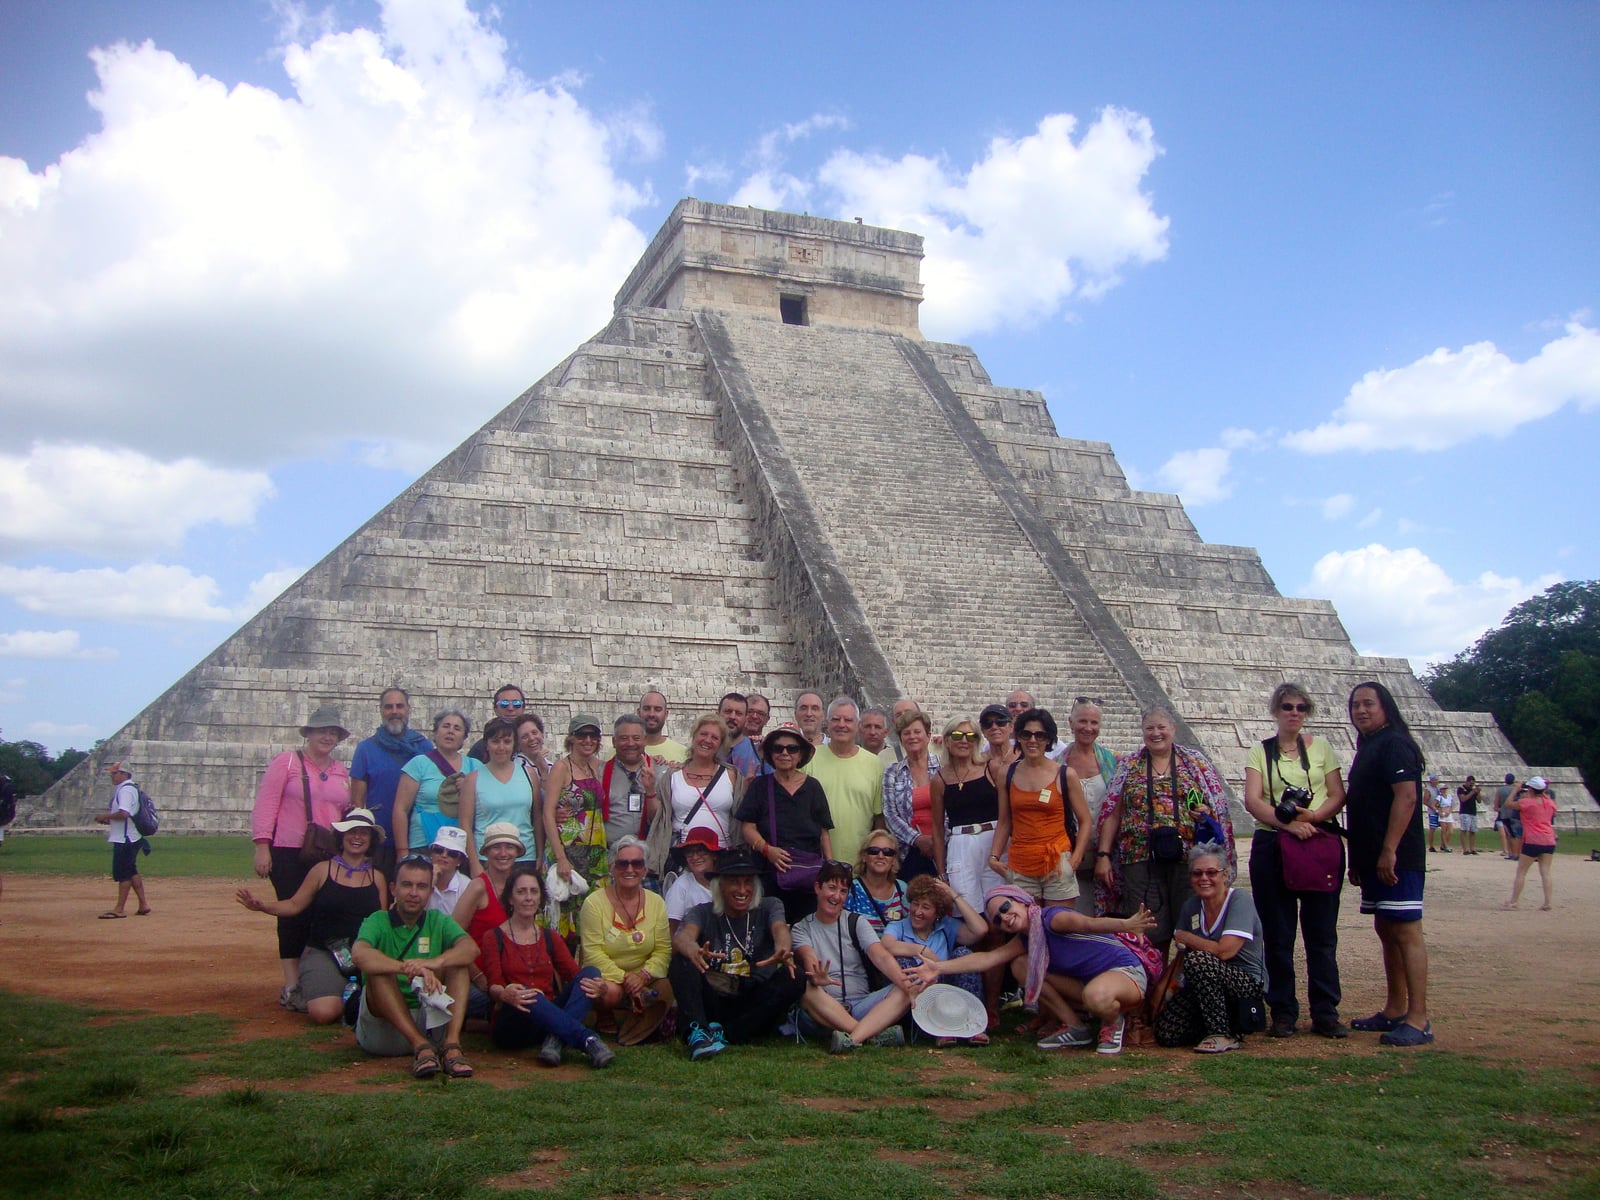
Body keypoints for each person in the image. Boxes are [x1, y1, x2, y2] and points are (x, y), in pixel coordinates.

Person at [908, 886, 1156, 1055]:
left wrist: (1126, 924)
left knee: (1096, 996)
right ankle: (1076, 1028)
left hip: (1125, 972)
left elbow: (1090, 923)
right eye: (997, 919)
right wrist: (937, 967)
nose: (1004, 917)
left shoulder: (1052, 919)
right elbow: (987, 959)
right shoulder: (1025, 940)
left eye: (1006, 907)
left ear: (1022, 901)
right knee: (1020, 965)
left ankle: (1112, 1024)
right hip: (1089, 982)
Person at [1241, 683, 1348, 1040]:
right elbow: (1252, 800)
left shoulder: (1322, 750)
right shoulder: (1260, 751)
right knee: (1279, 934)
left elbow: (1337, 794)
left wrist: (1312, 818)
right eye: (1288, 706)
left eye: (1302, 707)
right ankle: (1283, 1011)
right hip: (1273, 842)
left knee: (1321, 934)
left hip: (1316, 841)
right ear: (1276, 710)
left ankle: (1325, 1011)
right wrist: (1287, 822)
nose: (1295, 713)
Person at [1094, 704, 1232, 961]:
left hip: (1187, 856)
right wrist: (1103, 854)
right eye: (1149, 728)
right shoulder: (1130, 765)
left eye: (1161, 727)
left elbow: (1216, 805)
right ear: (1142, 732)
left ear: (1173, 729)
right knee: (1148, 926)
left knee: (1191, 921)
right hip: (1140, 857)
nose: (1156, 733)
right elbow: (1113, 811)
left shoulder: (1194, 763)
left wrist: (1204, 811)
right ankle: (1151, 988)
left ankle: (1187, 986)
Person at [236, 808, 387, 1025]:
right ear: (341, 836)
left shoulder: (378, 878)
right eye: (352, 831)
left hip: (363, 953)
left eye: (364, 833)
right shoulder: (322, 870)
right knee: (324, 1013)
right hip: (324, 951)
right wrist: (262, 906)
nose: (357, 837)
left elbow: (381, 922)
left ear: (371, 840)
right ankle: (325, 992)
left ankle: (350, 994)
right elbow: (295, 905)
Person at [1344, 681, 1432, 1047]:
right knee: (1387, 929)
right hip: (1376, 857)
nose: (1361, 710)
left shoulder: (1395, 743)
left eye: (1368, 704)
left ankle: (1419, 1017)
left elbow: (1407, 798)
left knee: (1407, 930)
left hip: (1396, 858)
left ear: (1386, 707)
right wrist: (1359, 859)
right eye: (1355, 705)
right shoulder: (1370, 745)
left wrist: (1390, 849)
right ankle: (1396, 1008)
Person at [249, 705, 352, 1010]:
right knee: (293, 914)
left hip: (326, 852)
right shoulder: (288, 762)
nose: (327, 736)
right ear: (309, 733)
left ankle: (314, 978)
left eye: (332, 732)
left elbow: (343, 812)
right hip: (288, 850)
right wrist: (262, 845)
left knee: (322, 914)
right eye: (322, 730)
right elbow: (266, 804)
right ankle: (292, 984)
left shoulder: (340, 771)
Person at [669, 845, 805, 1059]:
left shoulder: (770, 905)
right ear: (719, 885)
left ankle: (726, 1034)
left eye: (748, 882)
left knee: (794, 975)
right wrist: (692, 948)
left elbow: (780, 928)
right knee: (681, 961)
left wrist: (783, 946)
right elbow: (683, 937)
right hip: (715, 995)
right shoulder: (703, 911)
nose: (742, 890)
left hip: (753, 999)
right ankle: (699, 1032)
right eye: (734, 882)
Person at [351, 854, 477, 1078]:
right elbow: (359, 955)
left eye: (421, 886)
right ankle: (420, 1046)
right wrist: (406, 968)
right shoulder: (377, 920)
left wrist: (433, 963)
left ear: (430, 891)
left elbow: (470, 949)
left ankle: (451, 1045)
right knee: (378, 973)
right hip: (385, 1031)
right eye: (406, 885)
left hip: (430, 1019)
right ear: (393, 888)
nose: (413, 893)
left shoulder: (438, 920)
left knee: (459, 965)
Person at [479, 863, 613, 1067]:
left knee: (590, 973)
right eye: (521, 892)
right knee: (527, 993)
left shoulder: (549, 937)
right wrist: (505, 994)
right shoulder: (493, 936)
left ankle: (555, 1040)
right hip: (513, 1021)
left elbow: (576, 975)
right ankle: (588, 1039)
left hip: (546, 1020)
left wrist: (600, 986)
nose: (528, 897)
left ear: (541, 897)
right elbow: (493, 985)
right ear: (510, 898)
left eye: (534, 891)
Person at [791, 860, 919, 1053]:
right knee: (807, 989)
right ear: (818, 888)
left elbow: (881, 956)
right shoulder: (802, 927)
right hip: (824, 1008)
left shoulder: (857, 921)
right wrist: (817, 978)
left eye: (843, 891)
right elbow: (809, 958)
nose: (836, 896)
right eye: (832, 888)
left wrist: (906, 985)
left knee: (904, 988)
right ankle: (871, 1035)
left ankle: (853, 1038)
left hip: (861, 1005)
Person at [1154, 843, 1268, 1053]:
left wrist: (1187, 936)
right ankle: (1222, 1024)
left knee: (1199, 959)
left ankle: (1221, 1033)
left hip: (1245, 982)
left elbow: (1225, 951)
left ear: (1225, 875)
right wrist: (1160, 996)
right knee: (1167, 1033)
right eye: (1197, 873)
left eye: (1211, 872)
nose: (1204, 878)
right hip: (1204, 983)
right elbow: (1180, 955)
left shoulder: (1240, 900)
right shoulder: (1191, 906)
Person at [577, 834, 674, 1043]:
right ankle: (605, 1013)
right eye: (622, 864)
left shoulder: (656, 902)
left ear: (645, 870)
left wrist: (643, 976)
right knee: (609, 992)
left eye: (637, 863)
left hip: (645, 977)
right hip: (610, 976)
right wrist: (627, 979)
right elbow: (592, 954)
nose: (629, 869)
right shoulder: (594, 903)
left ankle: (640, 1016)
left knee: (665, 986)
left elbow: (663, 950)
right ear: (612, 868)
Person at [989, 708, 1090, 906]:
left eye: (1039, 735)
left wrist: (1075, 859)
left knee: (1058, 926)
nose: (1032, 740)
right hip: (1020, 863)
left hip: (1057, 861)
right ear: (1018, 737)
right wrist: (993, 857)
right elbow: (1004, 820)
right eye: (1026, 734)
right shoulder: (1006, 774)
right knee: (1025, 926)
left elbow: (1085, 820)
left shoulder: (1065, 774)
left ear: (1048, 739)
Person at [736, 721, 834, 921]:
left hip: (808, 875)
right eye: (778, 748)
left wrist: (830, 869)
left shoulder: (813, 787)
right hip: (770, 874)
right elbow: (747, 826)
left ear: (800, 754)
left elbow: (824, 832)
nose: (785, 753)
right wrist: (767, 850)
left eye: (792, 748)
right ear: (771, 754)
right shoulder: (761, 786)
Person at [878, 875, 989, 1042]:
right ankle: (935, 1031)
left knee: (963, 954)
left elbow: (980, 930)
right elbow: (886, 945)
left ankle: (973, 1025)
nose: (918, 912)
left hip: (944, 988)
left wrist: (953, 895)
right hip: (914, 991)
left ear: (937, 912)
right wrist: (923, 950)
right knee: (901, 960)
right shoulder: (898, 926)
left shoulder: (945, 925)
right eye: (915, 904)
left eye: (926, 907)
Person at [348, 687, 431, 879]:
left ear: (408, 709)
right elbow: (357, 803)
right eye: (389, 707)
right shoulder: (365, 749)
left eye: (400, 706)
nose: (394, 711)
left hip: (418, 838)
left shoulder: (424, 746)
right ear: (381, 711)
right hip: (380, 842)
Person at [542, 715, 609, 939]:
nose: (588, 740)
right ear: (571, 738)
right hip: (568, 848)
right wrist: (561, 857)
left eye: (593, 736)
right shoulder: (562, 768)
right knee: (563, 919)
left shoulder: (596, 766)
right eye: (582, 735)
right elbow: (547, 813)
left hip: (595, 851)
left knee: (592, 920)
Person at [803, 697, 883, 867]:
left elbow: (879, 818)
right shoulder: (808, 758)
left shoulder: (874, 764)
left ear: (858, 725)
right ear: (827, 723)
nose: (841, 724)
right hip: (816, 861)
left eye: (848, 720)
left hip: (860, 863)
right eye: (836, 719)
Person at [391, 710, 477, 860]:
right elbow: (400, 809)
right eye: (446, 726)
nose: (450, 731)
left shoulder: (475, 767)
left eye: (457, 728)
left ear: (464, 737)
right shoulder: (418, 764)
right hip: (423, 844)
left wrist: (469, 787)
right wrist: (402, 852)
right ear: (435, 732)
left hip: (460, 846)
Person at [940, 715, 1002, 915]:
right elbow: (936, 826)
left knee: (999, 904)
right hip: (960, 844)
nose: (964, 740)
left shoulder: (990, 768)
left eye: (970, 736)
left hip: (994, 841)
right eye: (958, 735)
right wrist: (941, 870)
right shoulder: (940, 779)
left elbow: (1007, 813)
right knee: (968, 909)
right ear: (948, 739)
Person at [1062, 699, 1118, 915]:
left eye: (1094, 722)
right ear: (1071, 722)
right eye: (1082, 721)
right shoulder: (1058, 764)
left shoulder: (1112, 762)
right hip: (1071, 853)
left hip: (1108, 853)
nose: (1088, 727)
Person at [659, 713, 744, 852]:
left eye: (715, 738)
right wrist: (650, 790)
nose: (707, 740)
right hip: (684, 855)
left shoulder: (732, 775)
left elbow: (740, 815)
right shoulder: (672, 775)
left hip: (722, 854)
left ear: (720, 744)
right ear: (694, 736)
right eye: (703, 734)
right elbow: (658, 818)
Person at [882, 708, 945, 880]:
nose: (912, 737)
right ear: (901, 739)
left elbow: (952, 809)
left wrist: (938, 841)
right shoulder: (892, 772)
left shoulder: (943, 768)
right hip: (908, 850)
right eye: (906, 733)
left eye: (917, 732)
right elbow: (890, 815)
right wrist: (917, 839)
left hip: (945, 848)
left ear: (928, 735)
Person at [95, 756, 151, 920]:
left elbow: (124, 813)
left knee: (124, 874)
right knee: (131, 871)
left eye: (115, 773)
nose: (112, 776)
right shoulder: (129, 788)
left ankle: (119, 908)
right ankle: (143, 904)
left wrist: (106, 816)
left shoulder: (126, 790)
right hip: (130, 836)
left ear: (124, 774)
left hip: (126, 839)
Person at [600, 715, 663, 857]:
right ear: (613, 741)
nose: (630, 743)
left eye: (636, 738)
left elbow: (659, 819)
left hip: (650, 856)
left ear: (645, 740)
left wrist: (650, 791)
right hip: (611, 856)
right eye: (623, 738)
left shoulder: (660, 772)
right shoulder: (600, 773)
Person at [1501, 777, 1558, 911]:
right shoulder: (1549, 803)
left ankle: (1514, 901)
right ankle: (1547, 902)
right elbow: (1553, 808)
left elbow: (1508, 804)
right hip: (1549, 839)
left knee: (1521, 872)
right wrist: (1541, 791)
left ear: (1531, 789)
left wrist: (1516, 789)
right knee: (1546, 872)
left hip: (1533, 839)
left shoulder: (1527, 802)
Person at [845, 828, 908, 933]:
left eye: (887, 852)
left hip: (894, 948)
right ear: (864, 857)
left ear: (893, 859)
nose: (880, 856)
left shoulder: (902, 889)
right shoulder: (850, 889)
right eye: (874, 851)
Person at [665, 828, 717, 930]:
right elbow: (669, 930)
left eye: (700, 851)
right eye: (689, 852)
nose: (695, 857)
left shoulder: (726, 882)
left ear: (714, 854)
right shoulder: (681, 885)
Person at [467, 684, 528, 762]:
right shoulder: (480, 748)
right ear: (495, 709)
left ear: (523, 709)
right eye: (504, 704)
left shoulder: (531, 744)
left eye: (516, 704)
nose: (510, 708)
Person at [1007, 689, 1068, 758]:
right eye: (1012, 705)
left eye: (1024, 705)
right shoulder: (998, 741)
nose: (1018, 708)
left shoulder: (1057, 746)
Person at [426, 825, 471, 915]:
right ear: (431, 853)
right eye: (439, 850)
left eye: (452, 853)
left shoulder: (467, 886)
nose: (444, 855)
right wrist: (430, 883)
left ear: (460, 861)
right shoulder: (417, 878)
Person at [637, 689, 689, 764]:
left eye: (657, 709)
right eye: (646, 709)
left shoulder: (684, 754)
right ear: (638, 712)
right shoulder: (621, 750)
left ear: (666, 714)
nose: (651, 714)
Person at [728, 693, 771, 779]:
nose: (755, 716)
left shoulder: (769, 749)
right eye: (750, 712)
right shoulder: (721, 745)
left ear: (767, 719)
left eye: (761, 713)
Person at [979, 704, 1017, 787]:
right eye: (987, 723)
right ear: (983, 731)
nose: (994, 727)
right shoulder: (977, 762)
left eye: (1001, 722)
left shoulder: (1024, 758)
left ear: (1011, 727)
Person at [1493, 772, 1521, 859]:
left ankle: (1511, 853)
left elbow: (1496, 806)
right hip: (1515, 814)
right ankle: (1517, 853)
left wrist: (1502, 809)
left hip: (1504, 814)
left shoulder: (1500, 790)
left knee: (1509, 835)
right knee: (1517, 835)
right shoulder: (1517, 789)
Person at [1457, 775, 1482, 855]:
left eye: (1473, 784)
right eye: (1470, 783)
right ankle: (1465, 849)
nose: (1471, 785)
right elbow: (1463, 799)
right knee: (1464, 830)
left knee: (1473, 831)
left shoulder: (1473, 790)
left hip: (1473, 812)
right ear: (1467, 782)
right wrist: (1472, 792)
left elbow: (1479, 801)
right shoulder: (1461, 789)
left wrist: (1478, 793)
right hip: (1464, 812)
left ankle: (1472, 848)